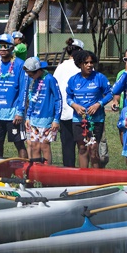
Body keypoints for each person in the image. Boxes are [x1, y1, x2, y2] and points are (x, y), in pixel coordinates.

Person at [65, 50, 111, 170]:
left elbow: (110, 94)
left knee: (93, 148)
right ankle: (83, 179)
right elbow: (68, 97)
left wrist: (98, 104)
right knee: (82, 148)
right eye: (86, 62)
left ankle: (95, 180)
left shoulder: (99, 77)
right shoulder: (73, 80)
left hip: (96, 120)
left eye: (92, 62)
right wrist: (75, 105)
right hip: (78, 120)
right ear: (80, 64)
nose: (90, 65)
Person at [0, 34, 27, 159]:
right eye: (0, 46)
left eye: (6, 46)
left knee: (19, 144)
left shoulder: (20, 65)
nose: (3, 49)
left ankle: (24, 173)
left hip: (13, 114)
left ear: (12, 48)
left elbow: (23, 90)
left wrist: (20, 112)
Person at [22, 56, 61, 163]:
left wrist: (56, 119)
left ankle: (47, 173)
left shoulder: (50, 79)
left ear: (39, 71)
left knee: (44, 146)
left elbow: (58, 99)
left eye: (31, 74)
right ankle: (36, 173)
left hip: (47, 119)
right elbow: (31, 100)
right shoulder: (33, 80)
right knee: (34, 146)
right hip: (34, 118)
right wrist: (28, 116)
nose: (30, 76)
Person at [53, 38, 84, 167]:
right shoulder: (83, 67)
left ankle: (68, 173)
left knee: (67, 145)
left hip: (64, 112)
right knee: (83, 146)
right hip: (81, 112)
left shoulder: (60, 68)